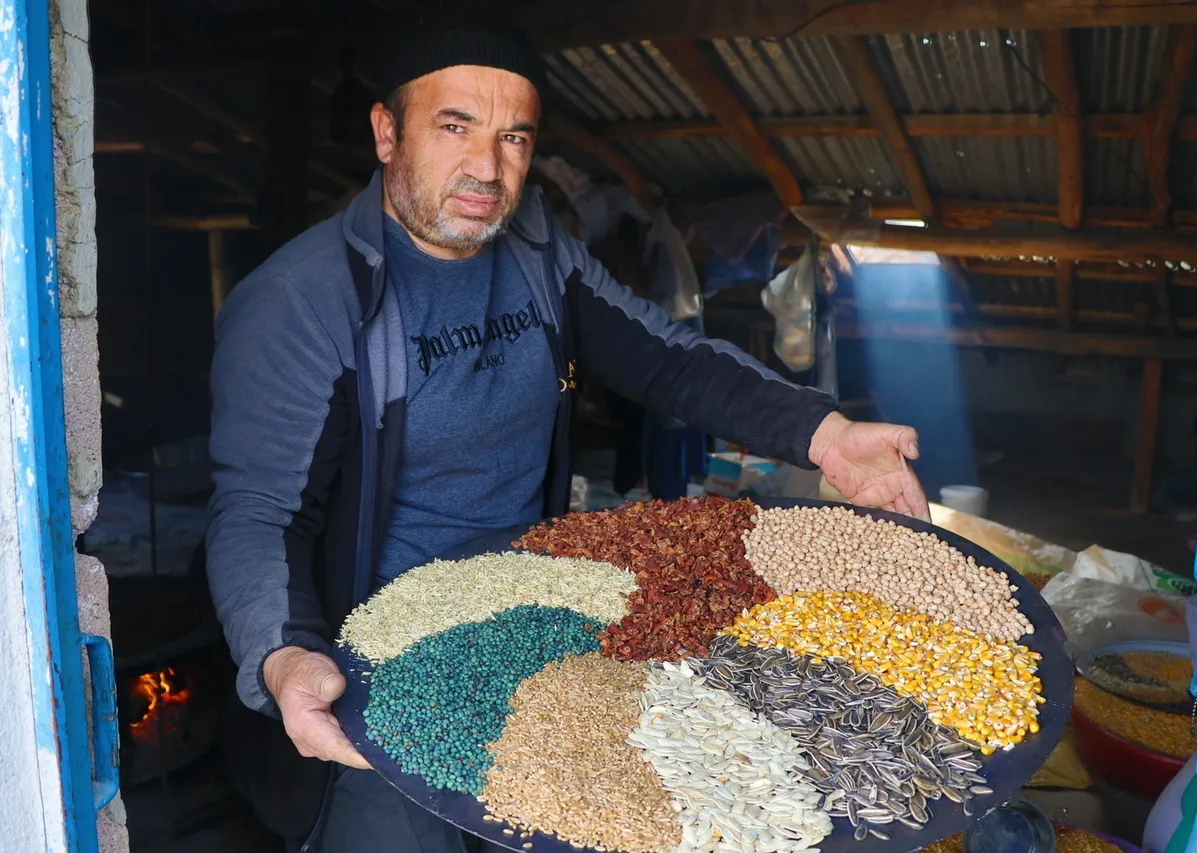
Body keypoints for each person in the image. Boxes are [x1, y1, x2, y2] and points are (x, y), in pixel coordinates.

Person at [205, 11, 929, 853]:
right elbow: (258, 511)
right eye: (454, 126)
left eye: (514, 136)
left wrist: (825, 432)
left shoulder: (540, 256)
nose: (487, 166)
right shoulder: (302, 302)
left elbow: (670, 360)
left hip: (544, 632)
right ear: (385, 132)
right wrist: (284, 657)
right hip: (382, 671)